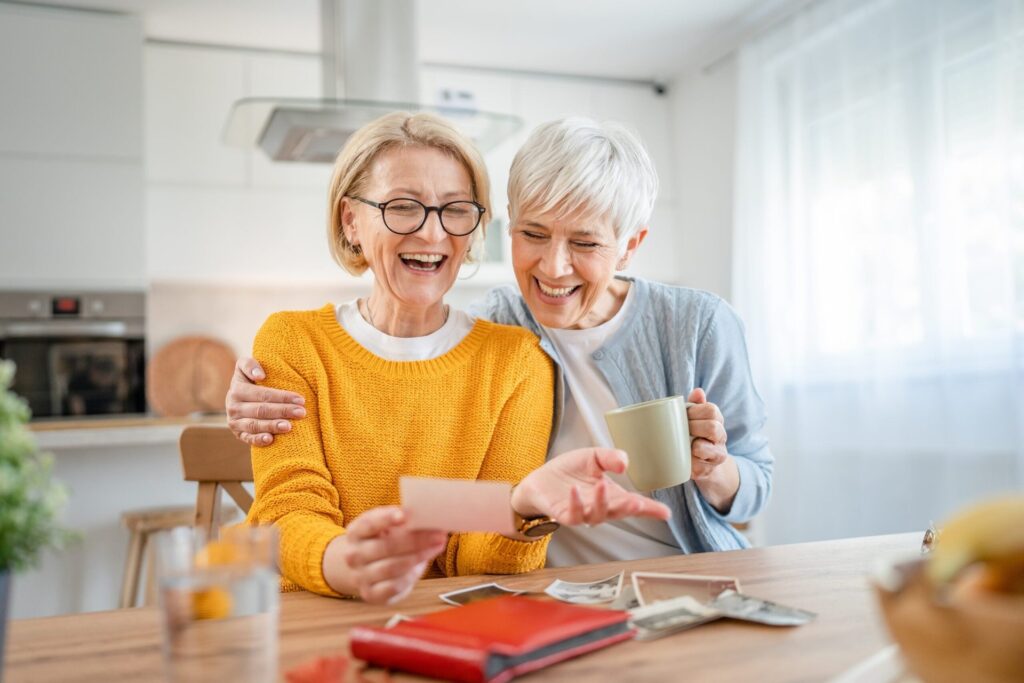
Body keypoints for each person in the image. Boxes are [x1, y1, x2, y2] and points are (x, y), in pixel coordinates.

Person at [229, 116, 772, 567]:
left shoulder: (694, 325)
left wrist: (714, 470)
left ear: (630, 246)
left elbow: (756, 485)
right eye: (533, 234)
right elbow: (429, 491)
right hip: (554, 590)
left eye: (585, 243)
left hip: (687, 568)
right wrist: (246, 397)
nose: (553, 267)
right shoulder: (500, 328)